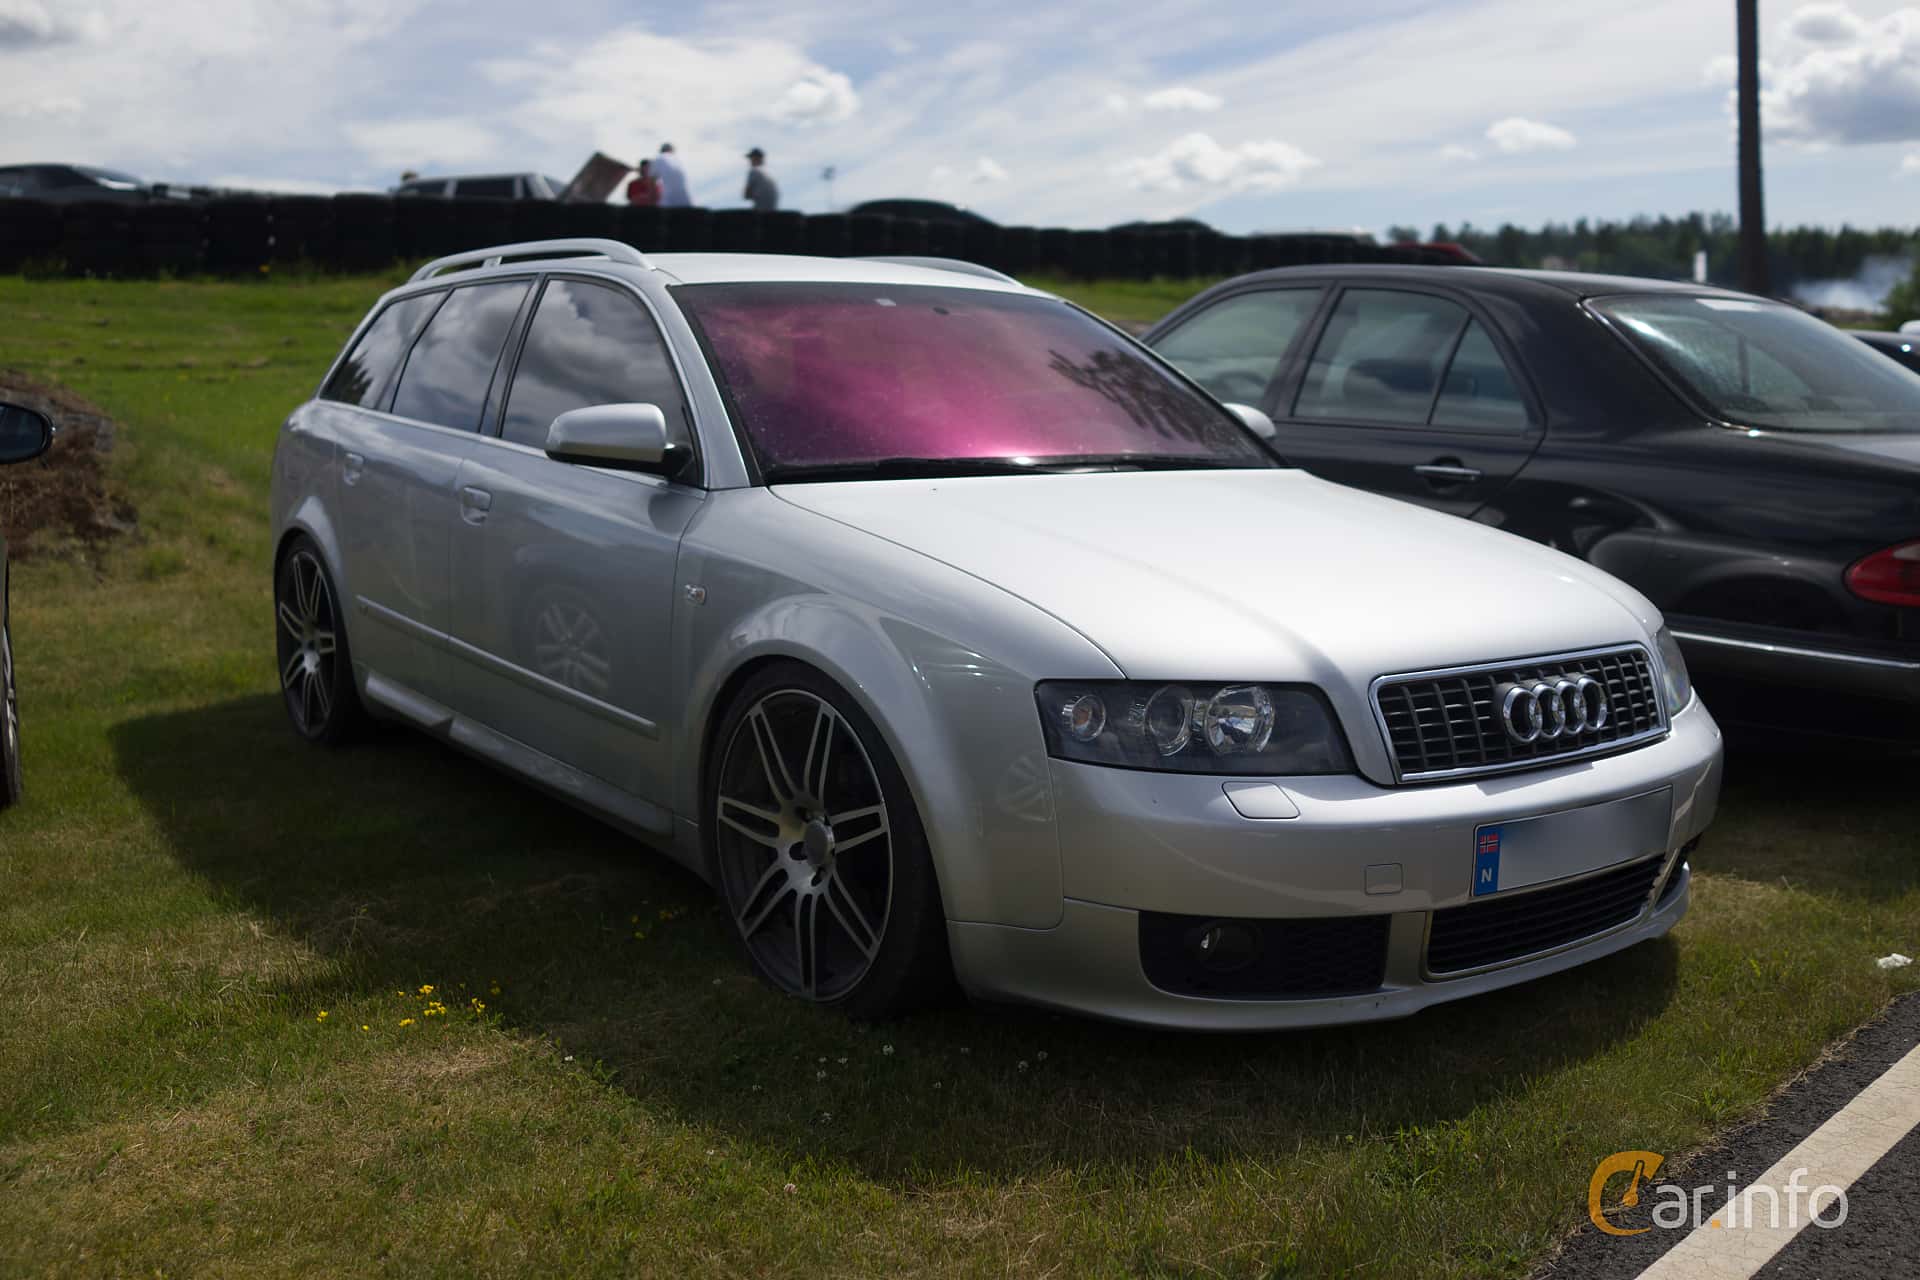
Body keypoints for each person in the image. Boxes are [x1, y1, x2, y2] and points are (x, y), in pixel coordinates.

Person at [653, 143, 690, 207]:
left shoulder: (659, 159)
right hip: (686, 199)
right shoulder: (679, 160)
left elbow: (651, 180)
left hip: (669, 200)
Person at [743, 146, 778, 212]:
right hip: (772, 209)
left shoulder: (754, 171)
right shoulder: (768, 173)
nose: (750, 161)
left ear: (756, 158)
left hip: (761, 210)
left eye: (751, 158)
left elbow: (746, 195)